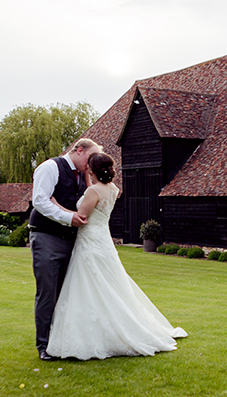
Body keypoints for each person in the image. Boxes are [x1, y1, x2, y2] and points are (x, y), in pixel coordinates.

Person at [46, 152, 186, 360]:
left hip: (90, 241)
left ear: (92, 170)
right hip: (103, 240)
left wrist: (55, 205)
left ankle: (99, 334)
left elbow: (81, 216)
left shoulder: (93, 191)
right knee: (110, 284)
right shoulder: (113, 189)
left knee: (90, 284)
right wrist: (88, 177)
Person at [29, 138, 102, 361]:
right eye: (89, 158)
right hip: (46, 237)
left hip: (72, 241)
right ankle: (43, 345)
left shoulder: (83, 175)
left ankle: (61, 341)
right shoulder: (50, 167)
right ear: (79, 150)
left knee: (66, 293)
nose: (91, 164)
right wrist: (68, 217)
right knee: (48, 292)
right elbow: (40, 201)